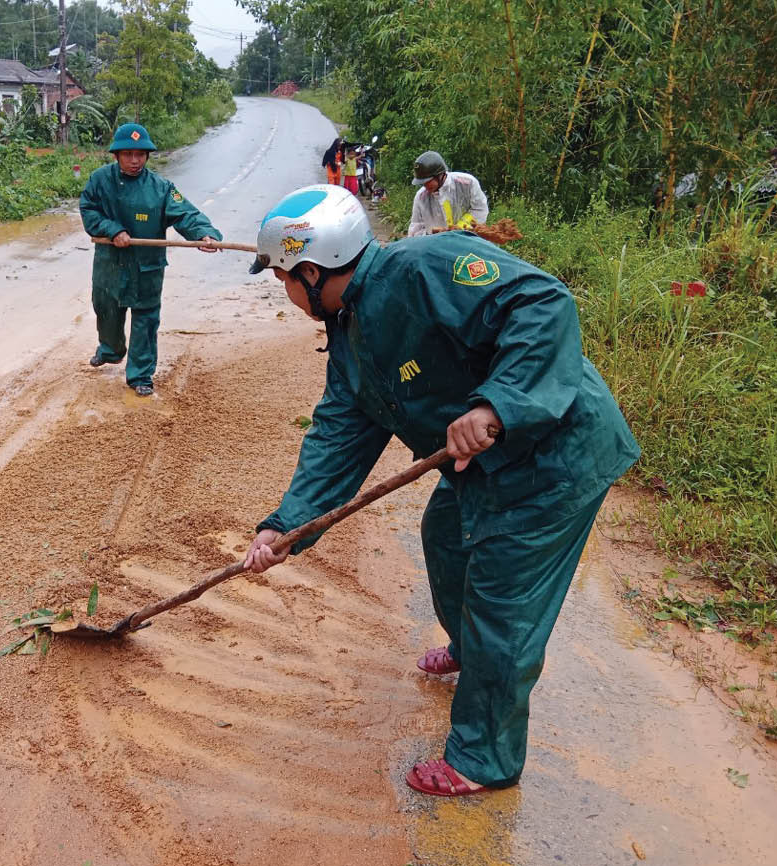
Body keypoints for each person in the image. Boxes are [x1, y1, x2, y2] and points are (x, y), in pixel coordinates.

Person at [244, 185, 639, 796]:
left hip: (554, 454)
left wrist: (496, 403)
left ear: (312, 272)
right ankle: (468, 649)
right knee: (445, 538)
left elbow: (543, 303)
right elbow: (338, 437)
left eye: (283, 281)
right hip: (482, 465)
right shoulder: (350, 338)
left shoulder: (423, 268)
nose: (286, 294)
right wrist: (285, 526)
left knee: (501, 605)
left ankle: (483, 760)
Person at [79, 122, 222, 397]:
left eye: (141, 155)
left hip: (147, 268)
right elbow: (89, 210)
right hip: (110, 264)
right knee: (107, 311)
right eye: (128, 154)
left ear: (147, 156)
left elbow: (185, 214)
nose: (135, 161)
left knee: (145, 321)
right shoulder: (100, 180)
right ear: (116, 155)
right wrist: (113, 230)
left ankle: (140, 375)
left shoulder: (161, 187)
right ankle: (111, 350)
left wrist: (204, 233)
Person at [408, 150, 489, 237]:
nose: (425, 185)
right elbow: (415, 230)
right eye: (422, 182)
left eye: (428, 181)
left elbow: (480, 209)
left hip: (468, 239)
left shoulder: (467, 183)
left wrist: (460, 228)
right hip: (439, 245)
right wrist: (433, 235)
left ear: (440, 175)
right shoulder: (420, 197)